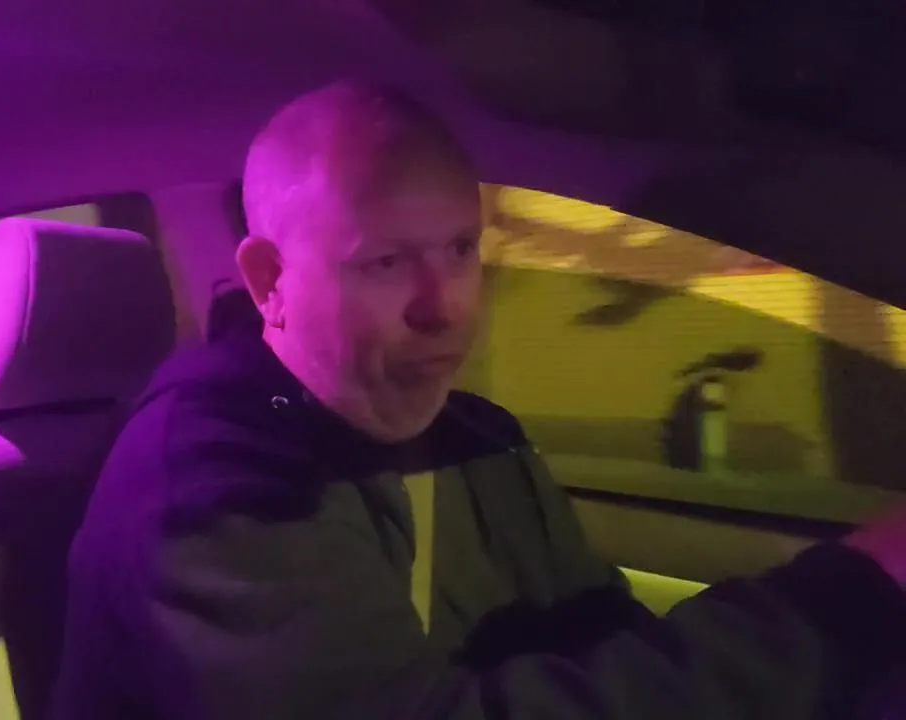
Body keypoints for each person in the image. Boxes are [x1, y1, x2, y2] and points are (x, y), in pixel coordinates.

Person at [51, 80, 906, 719]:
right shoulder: (210, 487)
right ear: (271, 280)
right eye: (386, 262)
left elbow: (601, 639)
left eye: (460, 250)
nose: (444, 307)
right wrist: (846, 599)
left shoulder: (480, 436)